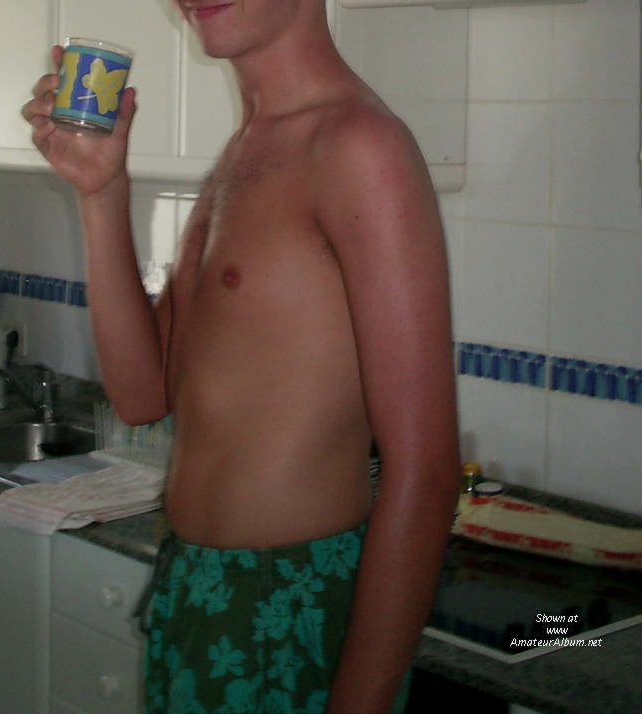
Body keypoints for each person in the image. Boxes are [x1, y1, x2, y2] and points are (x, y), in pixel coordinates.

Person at [23, 1, 460, 711]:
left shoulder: (358, 145)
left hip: (285, 605)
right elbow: (143, 394)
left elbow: (428, 470)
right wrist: (102, 192)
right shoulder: (247, 149)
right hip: (193, 589)